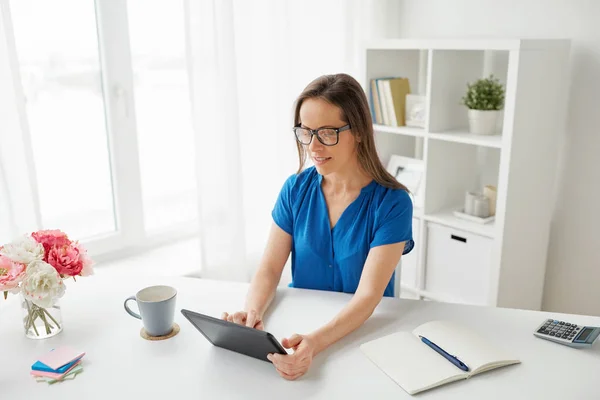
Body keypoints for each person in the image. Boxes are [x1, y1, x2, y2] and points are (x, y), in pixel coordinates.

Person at [222, 73, 414, 380]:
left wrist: (315, 343)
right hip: (297, 328)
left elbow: (367, 297)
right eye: (306, 132)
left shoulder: (393, 203)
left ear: (360, 131)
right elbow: (270, 269)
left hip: (361, 337)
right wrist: (253, 312)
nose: (313, 146)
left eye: (327, 133)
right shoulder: (295, 189)